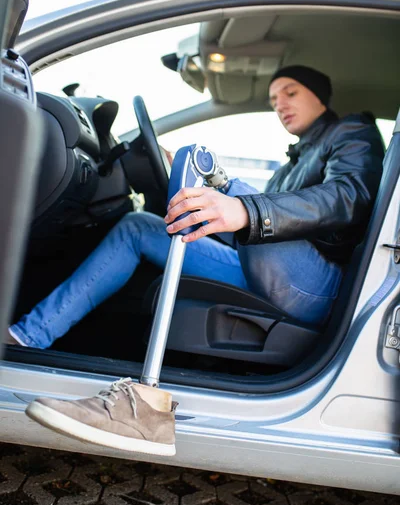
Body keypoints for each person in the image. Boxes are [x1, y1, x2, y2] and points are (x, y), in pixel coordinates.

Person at [11, 65, 384, 457]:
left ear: (319, 96)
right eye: (274, 99)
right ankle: (26, 336)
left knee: (238, 198)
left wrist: (242, 206)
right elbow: (260, 220)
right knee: (139, 227)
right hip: (274, 268)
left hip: (319, 282)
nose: (280, 105)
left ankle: (145, 405)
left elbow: (349, 196)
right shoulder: (293, 161)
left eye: (290, 93)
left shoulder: (351, 130)